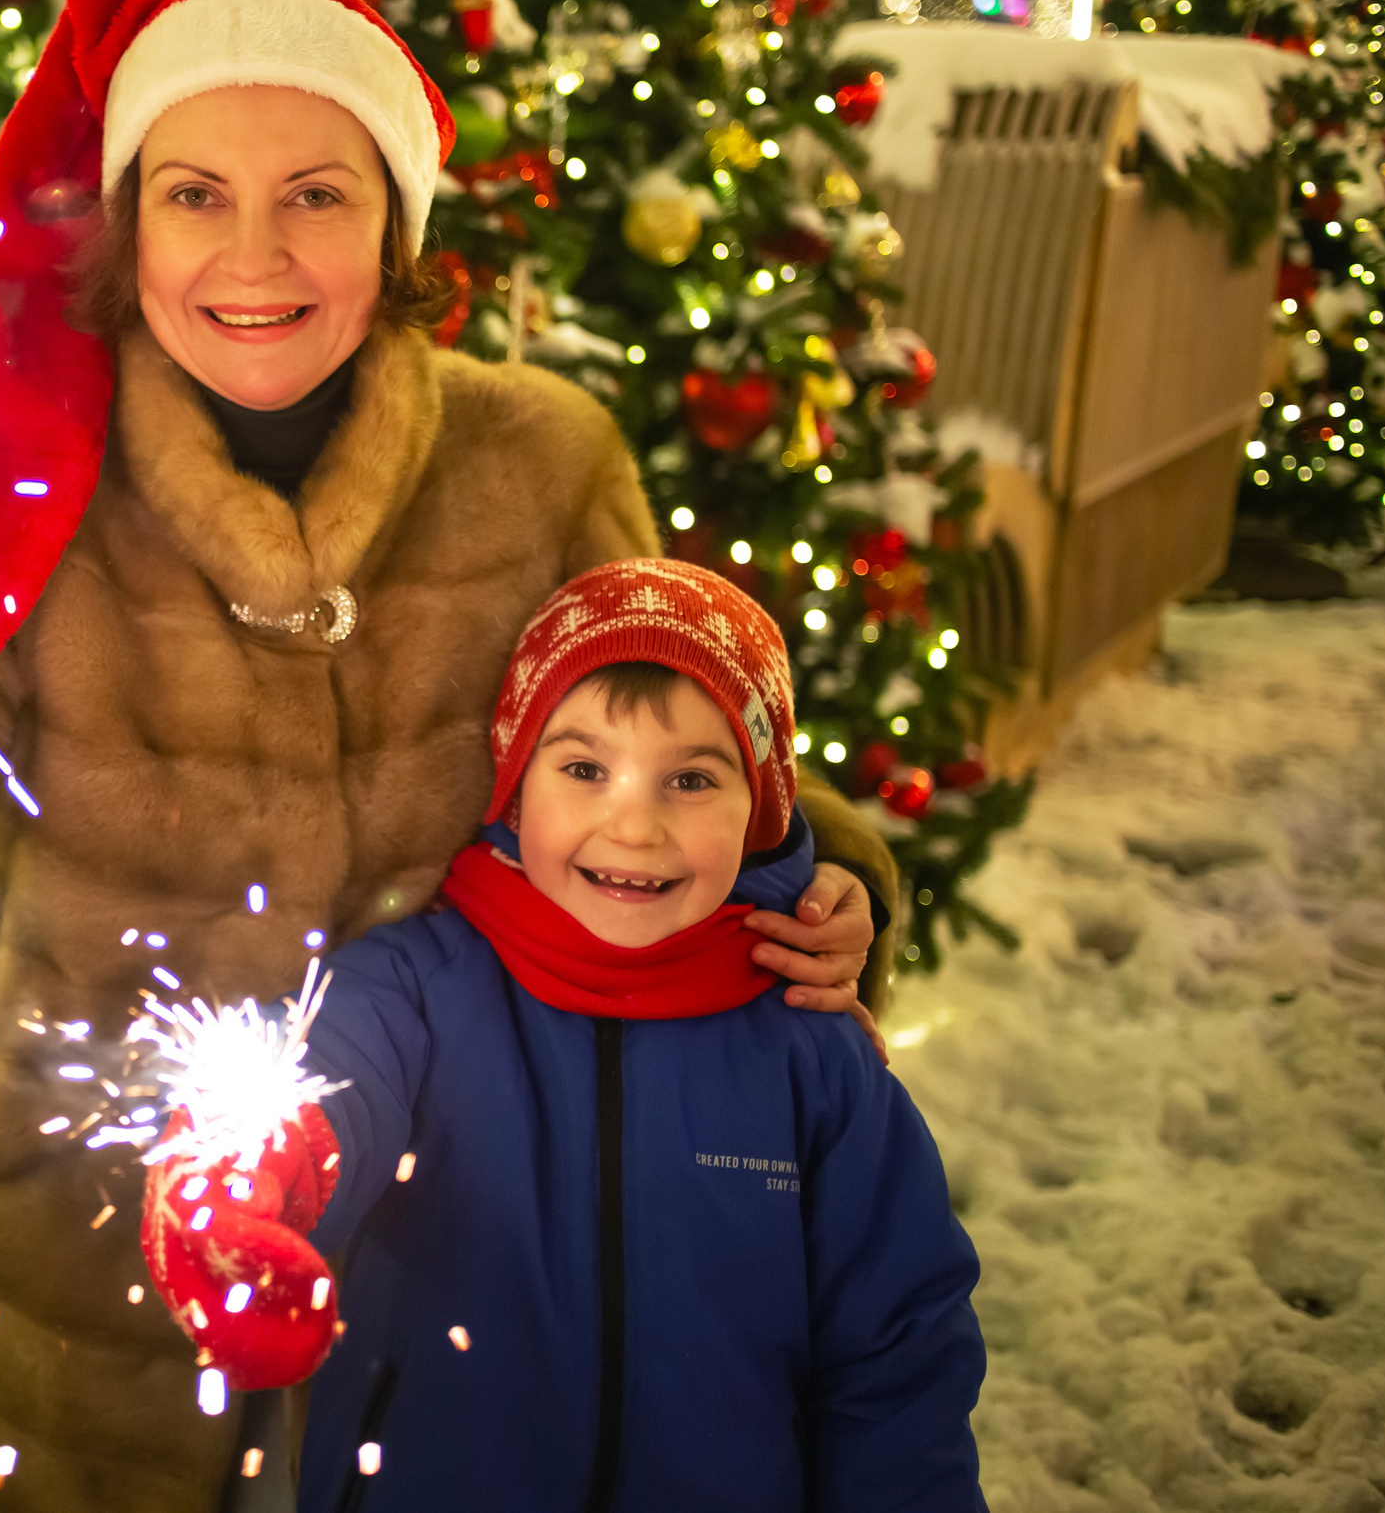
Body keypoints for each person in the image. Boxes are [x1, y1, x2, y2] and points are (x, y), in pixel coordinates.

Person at [0, 0, 902, 1513]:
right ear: (130, 222)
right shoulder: (14, 473)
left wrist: (812, 891)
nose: (253, 256)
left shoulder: (539, 465)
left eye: (316, 196)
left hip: (470, 1285)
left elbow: (687, 762)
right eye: (196, 193)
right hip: (66, 1310)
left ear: (397, 224)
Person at [141, 559, 985, 1511]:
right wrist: (241, 1180)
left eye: (692, 780)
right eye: (584, 769)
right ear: (514, 783)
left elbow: (900, 1356)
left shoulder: (811, 1049)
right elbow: (318, 1078)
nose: (632, 824)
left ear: (760, 810)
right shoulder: (419, 987)